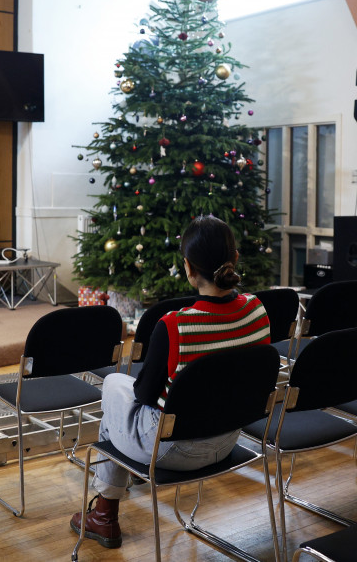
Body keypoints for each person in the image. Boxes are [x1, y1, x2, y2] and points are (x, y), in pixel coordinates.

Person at [71, 215, 271, 549]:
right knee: (125, 400)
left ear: (189, 269)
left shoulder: (174, 326)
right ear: (234, 260)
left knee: (113, 391)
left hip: (174, 449)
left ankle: (104, 515)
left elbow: (144, 396)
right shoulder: (257, 310)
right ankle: (113, 497)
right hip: (230, 438)